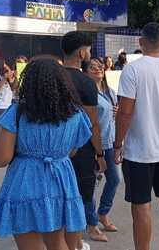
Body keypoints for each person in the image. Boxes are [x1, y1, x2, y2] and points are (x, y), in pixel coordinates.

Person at [0, 58, 92, 250]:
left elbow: (1, 159)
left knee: (30, 244)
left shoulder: (17, 112)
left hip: (25, 181)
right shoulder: (76, 114)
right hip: (61, 181)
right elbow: (73, 150)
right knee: (58, 242)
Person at [114, 23, 159, 250]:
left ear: (140, 43)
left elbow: (125, 112)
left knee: (141, 207)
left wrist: (117, 144)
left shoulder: (133, 70)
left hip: (138, 153)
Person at [61, 31, 106, 250]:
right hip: (81, 150)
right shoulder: (86, 83)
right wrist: (99, 154)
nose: (89, 53)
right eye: (88, 49)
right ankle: (76, 243)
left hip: (54, 147)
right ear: (81, 52)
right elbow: (92, 124)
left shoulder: (52, 76)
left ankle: (59, 240)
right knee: (79, 197)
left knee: (58, 195)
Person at [85, 57, 121, 242]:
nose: (97, 69)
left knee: (115, 179)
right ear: (86, 73)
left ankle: (103, 213)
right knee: (91, 186)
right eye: (92, 67)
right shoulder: (87, 93)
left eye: (99, 66)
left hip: (110, 141)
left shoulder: (110, 91)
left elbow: (115, 115)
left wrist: (116, 112)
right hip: (93, 144)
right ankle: (91, 225)